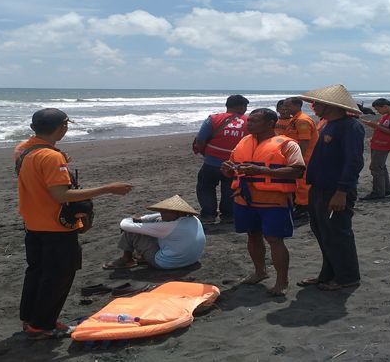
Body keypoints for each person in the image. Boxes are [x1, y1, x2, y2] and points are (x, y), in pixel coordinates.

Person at [14, 108, 133, 339]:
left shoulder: (23, 150)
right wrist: (108, 189)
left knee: (37, 273)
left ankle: (30, 320)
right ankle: (42, 326)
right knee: (58, 276)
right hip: (56, 227)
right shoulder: (51, 157)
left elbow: (39, 176)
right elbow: (61, 195)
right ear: (63, 128)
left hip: (33, 224)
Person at [221, 108, 305, 297]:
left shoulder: (288, 145)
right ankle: (260, 272)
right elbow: (231, 166)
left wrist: (264, 171)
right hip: (244, 198)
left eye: (254, 121)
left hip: (273, 201)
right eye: (249, 120)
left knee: (275, 240)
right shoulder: (244, 141)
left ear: (270, 124)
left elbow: (298, 170)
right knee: (252, 235)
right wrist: (226, 169)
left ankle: (282, 281)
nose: (248, 124)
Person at [299, 84, 364, 291]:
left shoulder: (350, 126)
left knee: (338, 233)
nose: (313, 106)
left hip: (335, 190)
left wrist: (342, 191)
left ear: (330, 105)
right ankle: (327, 274)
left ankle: (347, 277)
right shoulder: (327, 124)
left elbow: (353, 162)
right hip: (319, 186)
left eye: (317, 103)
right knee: (322, 232)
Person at [102, 195, 206, 270]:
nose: (162, 214)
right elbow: (157, 216)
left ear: (178, 213)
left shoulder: (169, 226)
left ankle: (127, 259)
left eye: (165, 211)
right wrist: (142, 219)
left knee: (131, 232)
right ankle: (143, 257)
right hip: (191, 260)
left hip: (166, 263)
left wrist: (130, 220)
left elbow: (125, 225)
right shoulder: (194, 219)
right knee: (155, 222)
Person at [194, 95, 249, 224]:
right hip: (234, 164)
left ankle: (208, 215)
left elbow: (200, 139)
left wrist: (205, 153)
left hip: (212, 162)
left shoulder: (213, 119)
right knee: (229, 189)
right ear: (241, 107)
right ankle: (228, 215)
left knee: (205, 187)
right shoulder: (249, 122)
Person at [281, 97, 319, 224]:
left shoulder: (302, 120)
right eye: (284, 106)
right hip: (298, 157)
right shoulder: (295, 119)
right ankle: (301, 207)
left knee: (302, 184)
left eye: (288, 106)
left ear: (297, 105)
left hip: (305, 158)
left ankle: (304, 209)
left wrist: (299, 160)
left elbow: (304, 141)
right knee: (298, 184)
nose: (285, 108)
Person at [359, 98, 390, 200]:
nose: (377, 112)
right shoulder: (386, 116)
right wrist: (372, 125)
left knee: (376, 168)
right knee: (381, 167)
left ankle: (378, 192)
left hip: (384, 145)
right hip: (378, 144)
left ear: (385, 106)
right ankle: (385, 190)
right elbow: (383, 128)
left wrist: (375, 126)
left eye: (378, 109)